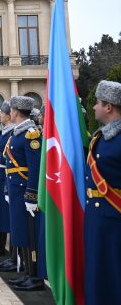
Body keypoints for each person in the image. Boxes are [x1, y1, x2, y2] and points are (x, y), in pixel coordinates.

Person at [85, 80, 121, 305]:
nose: (94, 107)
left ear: (109, 107)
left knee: (112, 273)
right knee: (97, 271)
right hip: (97, 218)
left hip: (113, 218)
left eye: (98, 103)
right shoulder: (100, 137)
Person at [5, 95, 44, 291]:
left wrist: (32, 194)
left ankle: (35, 276)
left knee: (30, 234)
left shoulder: (31, 134)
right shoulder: (18, 133)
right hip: (15, 189)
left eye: (11, 109)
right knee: (20, 231)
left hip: (24, 191)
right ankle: (27, 272)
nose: (9, 112)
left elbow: (35, 167)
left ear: (17, 111)